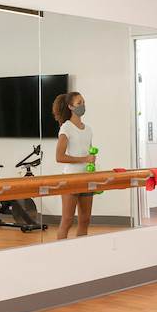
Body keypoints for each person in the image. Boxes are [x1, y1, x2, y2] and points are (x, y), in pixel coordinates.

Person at [52, 92, 96, 239]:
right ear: (70, 106)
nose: (83, 105)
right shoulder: (66, 128)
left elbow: (88, 153)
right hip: (70, 179)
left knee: (85, 220)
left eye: (83, 102)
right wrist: (84, 159)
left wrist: (91, 161)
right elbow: (59, 157)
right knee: (67, 220)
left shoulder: (88, 129)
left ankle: (81, 249)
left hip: (87, 178)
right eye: (79, 103)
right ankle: (60, 249)